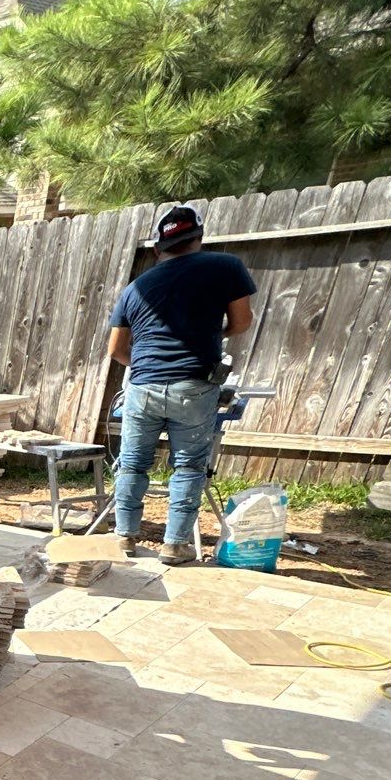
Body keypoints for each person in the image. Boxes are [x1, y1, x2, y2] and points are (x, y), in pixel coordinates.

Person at [107, 204, 256, 564]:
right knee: (188, 466)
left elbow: (116, 349)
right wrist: (209, 335)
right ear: (199, 239)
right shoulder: (225, 267)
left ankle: (124, 538)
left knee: (132, 465)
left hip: (142, 387)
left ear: (160, 247)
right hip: (193, 384)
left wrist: (145, 366)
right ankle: (174, 545)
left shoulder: (136, 287)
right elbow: (241, 323)